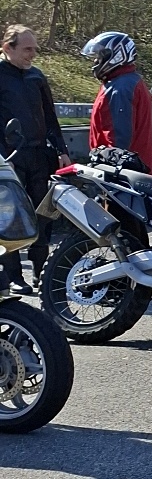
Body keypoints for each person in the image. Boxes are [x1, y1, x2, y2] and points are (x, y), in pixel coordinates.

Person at [0, 24, 66, 290]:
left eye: (35, 49)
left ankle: (41, 271)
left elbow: (50, 117)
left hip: (39, 155)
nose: (33, 54)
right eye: (27, 49)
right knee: (10, 218)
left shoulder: (37, 76)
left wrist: (62, 150)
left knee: (43, 216)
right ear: (8, 48)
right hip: (9, 158)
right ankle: (13, 276)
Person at [84, 31, 152, 172]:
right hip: (132, 168)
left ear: (116, 55)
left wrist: (109, 167)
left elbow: (118, 140)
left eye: (100, 57)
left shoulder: (121, 88)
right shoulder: (126, 82)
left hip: (123, 171)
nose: (96, 61)